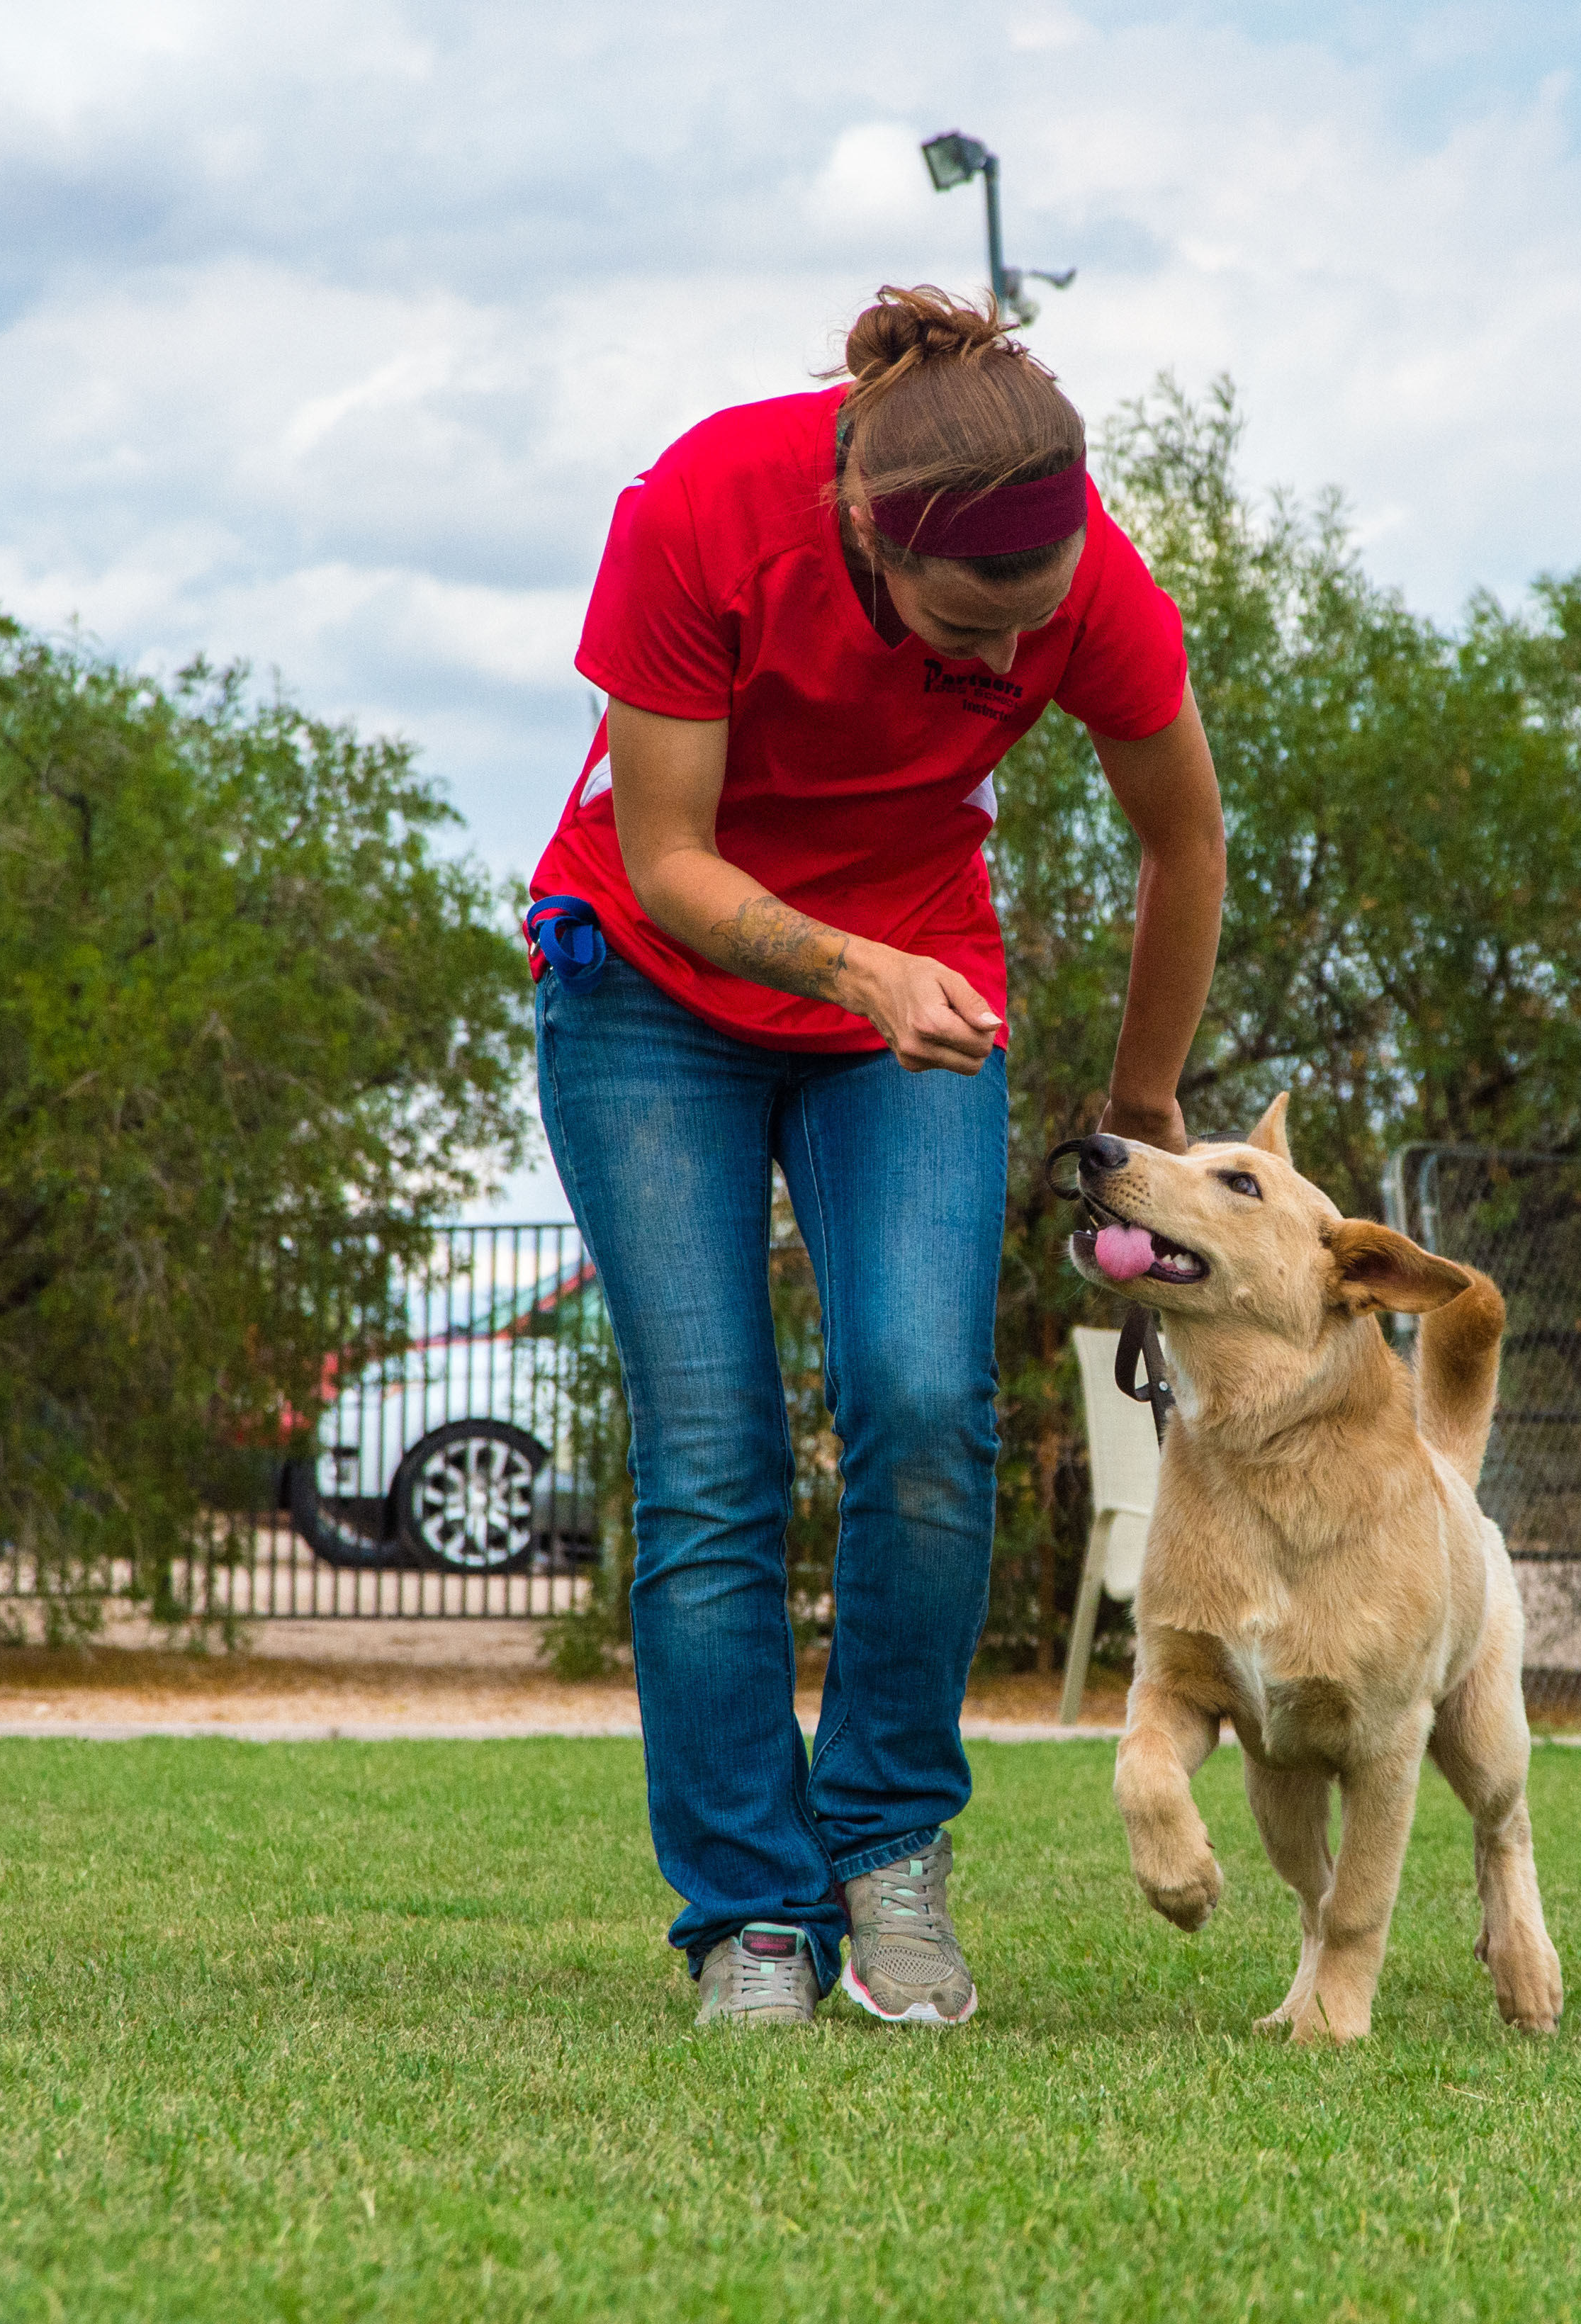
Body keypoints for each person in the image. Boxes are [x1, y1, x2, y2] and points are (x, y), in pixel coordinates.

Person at [529, 285, 1225, 2026]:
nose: (1001, 670)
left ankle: (889, 1849)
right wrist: (847, 965)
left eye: (1031, 628)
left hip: (910, 989)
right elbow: (675, 854)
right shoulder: (708, 509)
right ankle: (752, 1915)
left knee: (923, 1399)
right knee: (714, 1443)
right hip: (650, 984)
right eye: (964, 629)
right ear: (865, 528)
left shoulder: (1090, 589)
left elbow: (1182, 832)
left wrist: (1144, 1100)